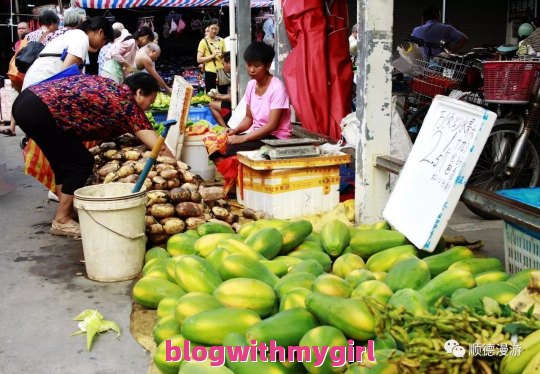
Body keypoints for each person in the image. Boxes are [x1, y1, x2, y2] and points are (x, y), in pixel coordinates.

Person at [12, 73, 173, 237]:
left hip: (26, 101)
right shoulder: (128, 105)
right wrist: (177, 164)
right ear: (139, 92)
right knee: (81, 163)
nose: (149, 107)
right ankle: (62, 220)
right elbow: (159, 149)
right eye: (150, 101)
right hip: (40, 110)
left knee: (62, 162)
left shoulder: (113, 88)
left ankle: (66, 213)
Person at [211, 42, 292, 162]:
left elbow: (272, 125)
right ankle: (235, 179)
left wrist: (244, 138)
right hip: (258, 134)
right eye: (248, 65)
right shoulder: (251, 85)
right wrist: (235, 130)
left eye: (256, 66)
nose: (251, 70)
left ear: (268, 66)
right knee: (216, 147)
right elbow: (249, 118)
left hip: (276, 138)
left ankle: (239, 179)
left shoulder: (277, 88)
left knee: (229, 150)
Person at [22, 16, 114, 90]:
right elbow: (66, 75)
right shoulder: (81, 37)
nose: (103, 45)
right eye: (105, 41)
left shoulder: (74, 35)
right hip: (40, 86)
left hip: (36, 85)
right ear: (100, 32)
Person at [197, 19, 228, 94]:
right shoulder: (203, 41)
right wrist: (212, 56)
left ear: (219, 29)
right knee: (210, 94)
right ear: (208, 28)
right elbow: (199, 59)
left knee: (223, 94)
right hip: (210, 71)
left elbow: (226, 57)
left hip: (221, 71)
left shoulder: (221, 40)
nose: (214, 31)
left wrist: (222, 56)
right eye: (212, 28)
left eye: (216, 29)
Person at [208, 52, 232, 128]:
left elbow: (231, 98)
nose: (223, 66)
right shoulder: (236, 74)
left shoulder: (237, 75)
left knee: (212, 105)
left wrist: (217, 96)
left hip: (237, 106)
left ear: (229, 63)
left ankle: (226, 129)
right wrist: (218, 95)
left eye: (223, 63)